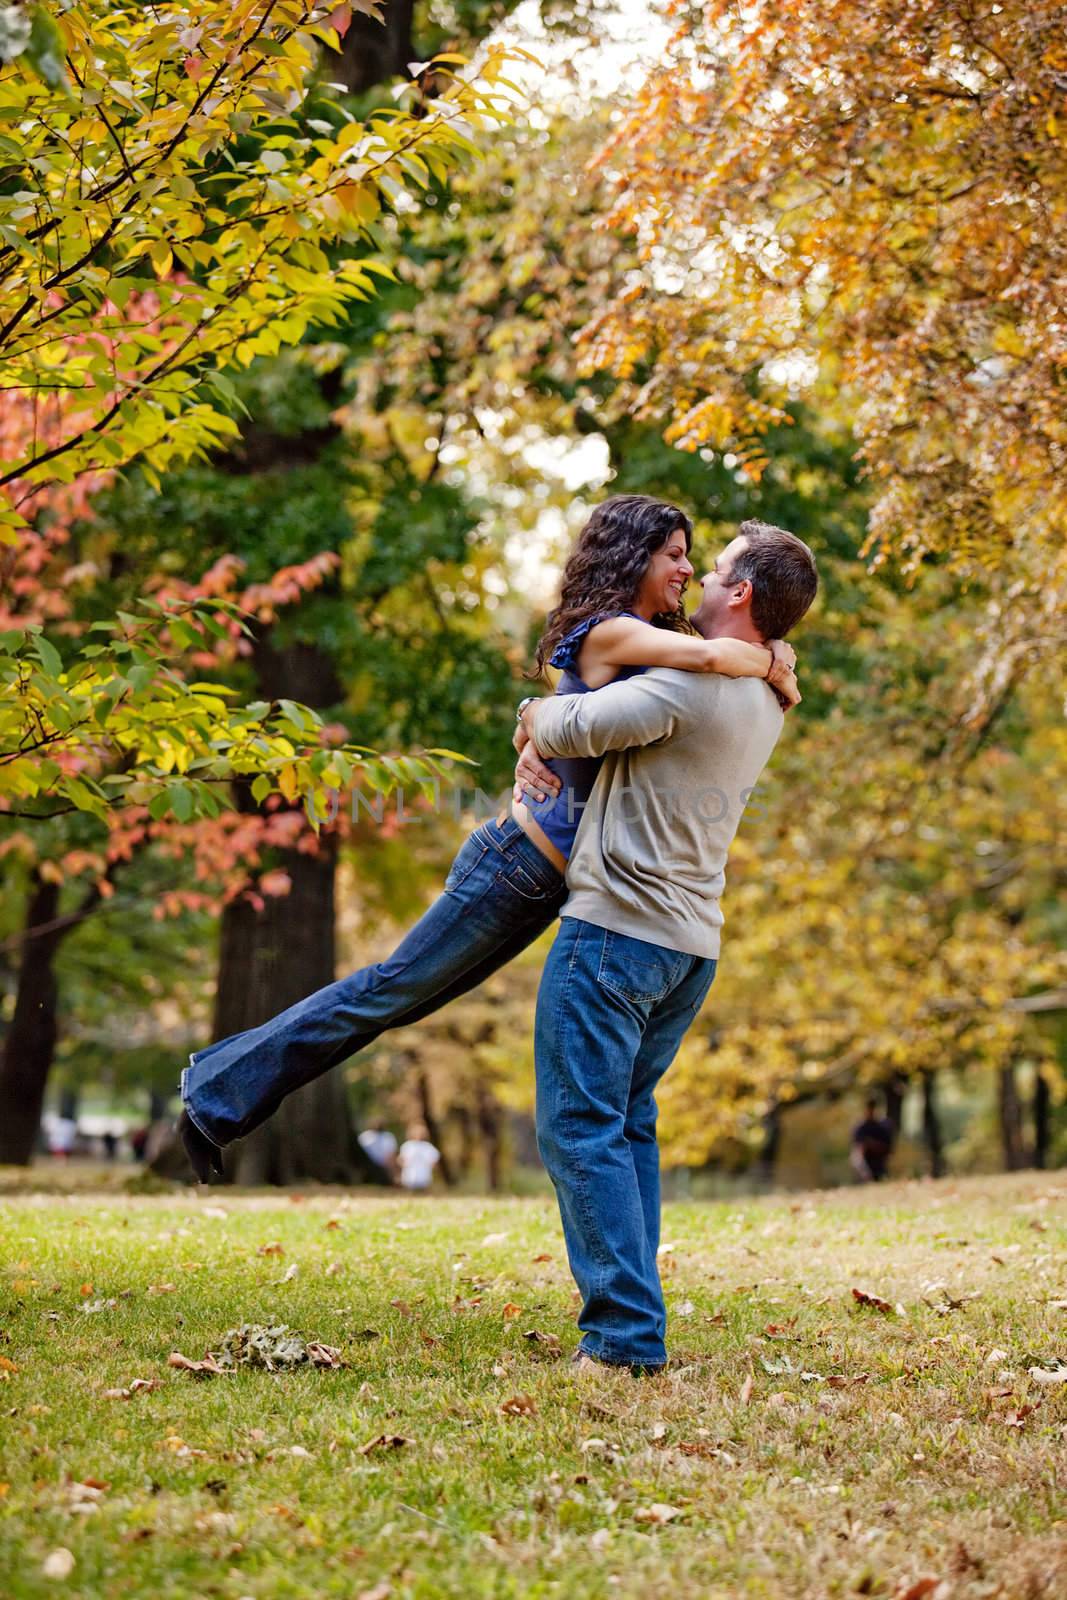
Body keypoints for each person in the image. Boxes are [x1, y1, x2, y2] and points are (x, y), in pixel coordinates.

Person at [177, 495, 800, 1182]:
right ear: (634, 557)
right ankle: (214, 1098)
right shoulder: (616, 632)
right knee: (387, 991)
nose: (686, 570)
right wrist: (772, 660)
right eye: (674, 555)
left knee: (398, 999)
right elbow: (715, 658)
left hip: (543, 882)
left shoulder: (656, 640)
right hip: (514, 864)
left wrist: (530, 722)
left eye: (692, 558)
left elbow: (605, 705)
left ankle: (215, 1078)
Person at [516, 519, 818, 1374]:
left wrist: (529, 713)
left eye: (713, 567)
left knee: (580, 1129)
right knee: (627, 1127)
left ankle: (620, 1338)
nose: (698, 575)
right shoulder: (767, 694)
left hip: (615, 934)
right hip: (689, 948)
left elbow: (564, 728)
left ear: (741, 593)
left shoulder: (683, 691)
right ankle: (632, 1319)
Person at [850, 1095, 895, 1182]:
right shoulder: (860, 1127)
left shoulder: (883, 1126)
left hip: (879, 1161)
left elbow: (888, 1148)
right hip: (864, 1162)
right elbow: (858, 1148)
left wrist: (872, 1144)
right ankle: (865, 1175)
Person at [397, 1122, 441, 1192]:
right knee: (410, 1190)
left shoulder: (428, 1146)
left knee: (423, 1190)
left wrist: (432, 1166)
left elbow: (434, 1159)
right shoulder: (408, 1145)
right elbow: (401, 1158)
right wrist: (403, 1164)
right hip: (410, 1172)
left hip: (423, 1172)